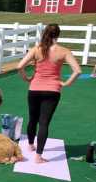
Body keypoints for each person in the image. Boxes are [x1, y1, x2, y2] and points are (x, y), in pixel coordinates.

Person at [17, 24, 81, 164]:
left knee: (33, 119)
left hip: (34, 89)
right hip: (53, 90)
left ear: (45, 33)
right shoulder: (64, 51)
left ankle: (30, 145)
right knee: (44, 123)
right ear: (58, 35)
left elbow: (19, 66)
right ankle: (38, 157)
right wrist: (66, 83)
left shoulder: (36, 49)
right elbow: (77, 71)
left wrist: (27, 78)